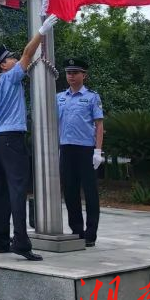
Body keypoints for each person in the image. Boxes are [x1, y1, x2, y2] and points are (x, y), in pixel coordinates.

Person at [0, 13, 58, 262]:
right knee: (17, 190)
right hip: (13, 139)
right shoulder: (10, 78)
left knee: (1, 191)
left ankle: (1, 242)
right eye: (9, 59)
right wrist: (42, 31)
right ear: (2, 66)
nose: (14, 60)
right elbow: (28, 54)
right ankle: (22, 242)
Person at [57, 58, 105, 248]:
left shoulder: (92, 97)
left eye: (75, 73)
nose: (71, 76)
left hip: (85, 149)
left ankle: (91, 233)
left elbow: (99, 124)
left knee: (90, 192)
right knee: (70, 191)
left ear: (84, 75)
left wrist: (98, 150)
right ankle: (77, 230)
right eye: (69, 73)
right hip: (66, 147)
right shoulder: (59, 97)